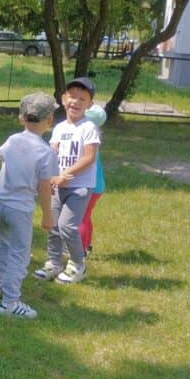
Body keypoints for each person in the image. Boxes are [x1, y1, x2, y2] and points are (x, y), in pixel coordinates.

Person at [0, 93, 59, 319]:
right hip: (20, 208)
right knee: (20, 254)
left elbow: (2, 157)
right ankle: (9, 303)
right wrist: (48, 215)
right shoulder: (46, 152)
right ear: (50, 120)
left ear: (21, 118)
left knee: (4, 241)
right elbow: (44, 187)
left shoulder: (12, 140)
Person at [34, 77, 101, 285]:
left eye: (82, 99)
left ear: (90, 104)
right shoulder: (59, 128)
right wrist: (51, 176)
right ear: (63, 99)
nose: (76, 102)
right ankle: (54, 263)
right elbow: (51, 153)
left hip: (79, 187)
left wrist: (66, 174)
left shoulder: (88, 127)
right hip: (57, 186)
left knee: (67, 226)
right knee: (53, 226)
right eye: (72, 97)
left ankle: (78, 265)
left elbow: (89, 158)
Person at [76, 104, 107, 263]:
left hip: (89, 185)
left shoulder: (86, 141)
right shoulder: (95, 140)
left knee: (79, 218)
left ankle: (79, 251)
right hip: (98, 186)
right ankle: (87, 245)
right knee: (86, 216)